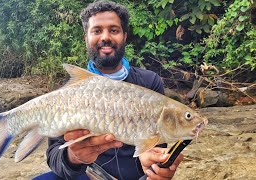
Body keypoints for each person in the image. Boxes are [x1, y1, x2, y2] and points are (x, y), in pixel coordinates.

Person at [34, 1, 183, 180]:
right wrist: (73, 158)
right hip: (88, 174)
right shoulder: (69, 91)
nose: (105, 37)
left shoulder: (149, 82)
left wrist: (156, 163)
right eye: (97, 31)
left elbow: (158, 143)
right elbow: (54, 157)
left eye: (114, 30)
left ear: (124, 36)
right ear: (86, 38)